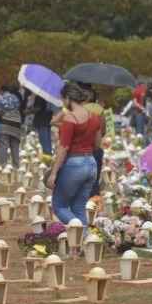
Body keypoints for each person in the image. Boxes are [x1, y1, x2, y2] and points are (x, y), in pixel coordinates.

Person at [46, 83, 101, 226]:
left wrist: (53, 173)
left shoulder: (70, 118)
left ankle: (76, 228)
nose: (63, 103)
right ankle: (84, 241)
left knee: (60, 206)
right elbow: (97, 145)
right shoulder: (95, 117)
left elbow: (63, 148)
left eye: (63, 99)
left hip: (74, 164)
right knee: (79, 208)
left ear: (68, 98)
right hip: (91, 164)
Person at [0, 85, 23, 168]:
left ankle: (3, 166)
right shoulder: (15, 98)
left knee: (4, 144)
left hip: (5, 123)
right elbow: (18, 108)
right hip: (17, 123)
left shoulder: (1, 98)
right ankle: (16, 166)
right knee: (15, 145)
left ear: (2, 91)